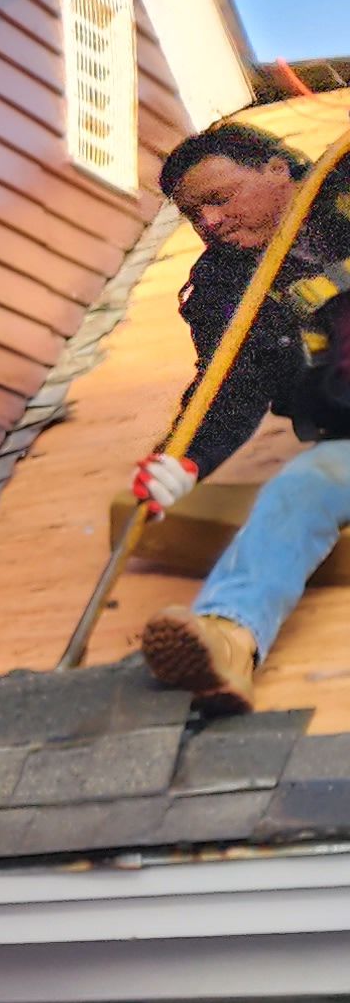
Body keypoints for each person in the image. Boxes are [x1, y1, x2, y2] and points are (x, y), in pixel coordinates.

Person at [129, 120, 350, 709]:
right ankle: (228, 639)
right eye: (193, 215)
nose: (210, 224)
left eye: (219, 199)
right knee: (301, 489)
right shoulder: (224, 290)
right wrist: (184, 458)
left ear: (278, 171)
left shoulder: (345, 185)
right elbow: (228, 390)